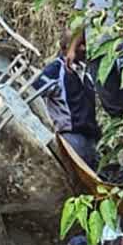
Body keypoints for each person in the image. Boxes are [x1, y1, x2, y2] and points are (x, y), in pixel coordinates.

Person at [35, 31, 100, 169]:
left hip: (90, 139)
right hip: (70, 138)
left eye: (85, 44)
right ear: (65, 48)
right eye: (79, 45)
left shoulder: (85, 73)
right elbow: (34, 94)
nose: (84, 48)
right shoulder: (55, 70)